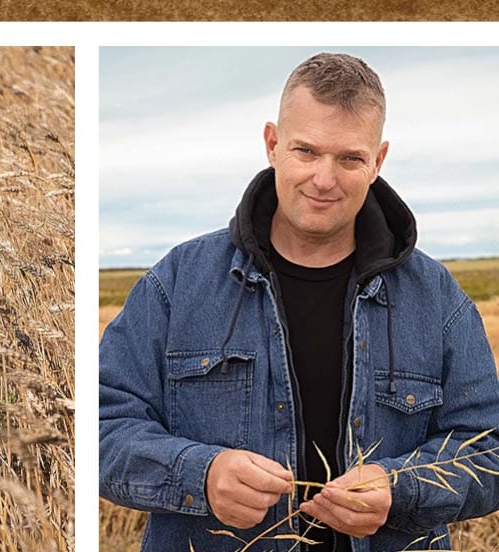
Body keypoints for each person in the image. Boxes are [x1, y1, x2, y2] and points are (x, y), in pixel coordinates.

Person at [99, 52, 499, 552]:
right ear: (272, 144)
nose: (324, 179)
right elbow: (102, 429)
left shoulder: (438, 298)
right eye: (306, 151)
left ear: (378, 161)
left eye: (350, 158)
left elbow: (489, 450)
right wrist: (201, 475)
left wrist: (401, 489)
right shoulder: (176, 283)